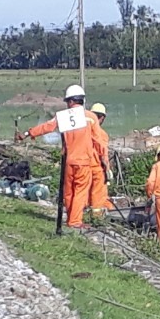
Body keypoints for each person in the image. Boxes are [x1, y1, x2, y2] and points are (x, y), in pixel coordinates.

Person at [13, 85, 107, 230]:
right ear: (82, 100)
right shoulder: (91, 117)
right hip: (84, 161)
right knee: (80, 191)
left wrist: (26, 134)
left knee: (69, 192)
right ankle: (75, 222)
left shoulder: (62, 116)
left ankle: (71, 218)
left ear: (70, 101)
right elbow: (99, 142)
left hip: (68, 161)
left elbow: (47, 127)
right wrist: (104, 160)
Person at [87, 102, 115, 213]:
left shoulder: (84, 131)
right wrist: (107, 170)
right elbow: (103, 154)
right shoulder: (101, 134)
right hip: (97, 168)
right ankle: (96, 218)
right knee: (98, 196)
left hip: (83, 166)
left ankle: (83, 214)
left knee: (85, 193)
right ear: (102, 118)